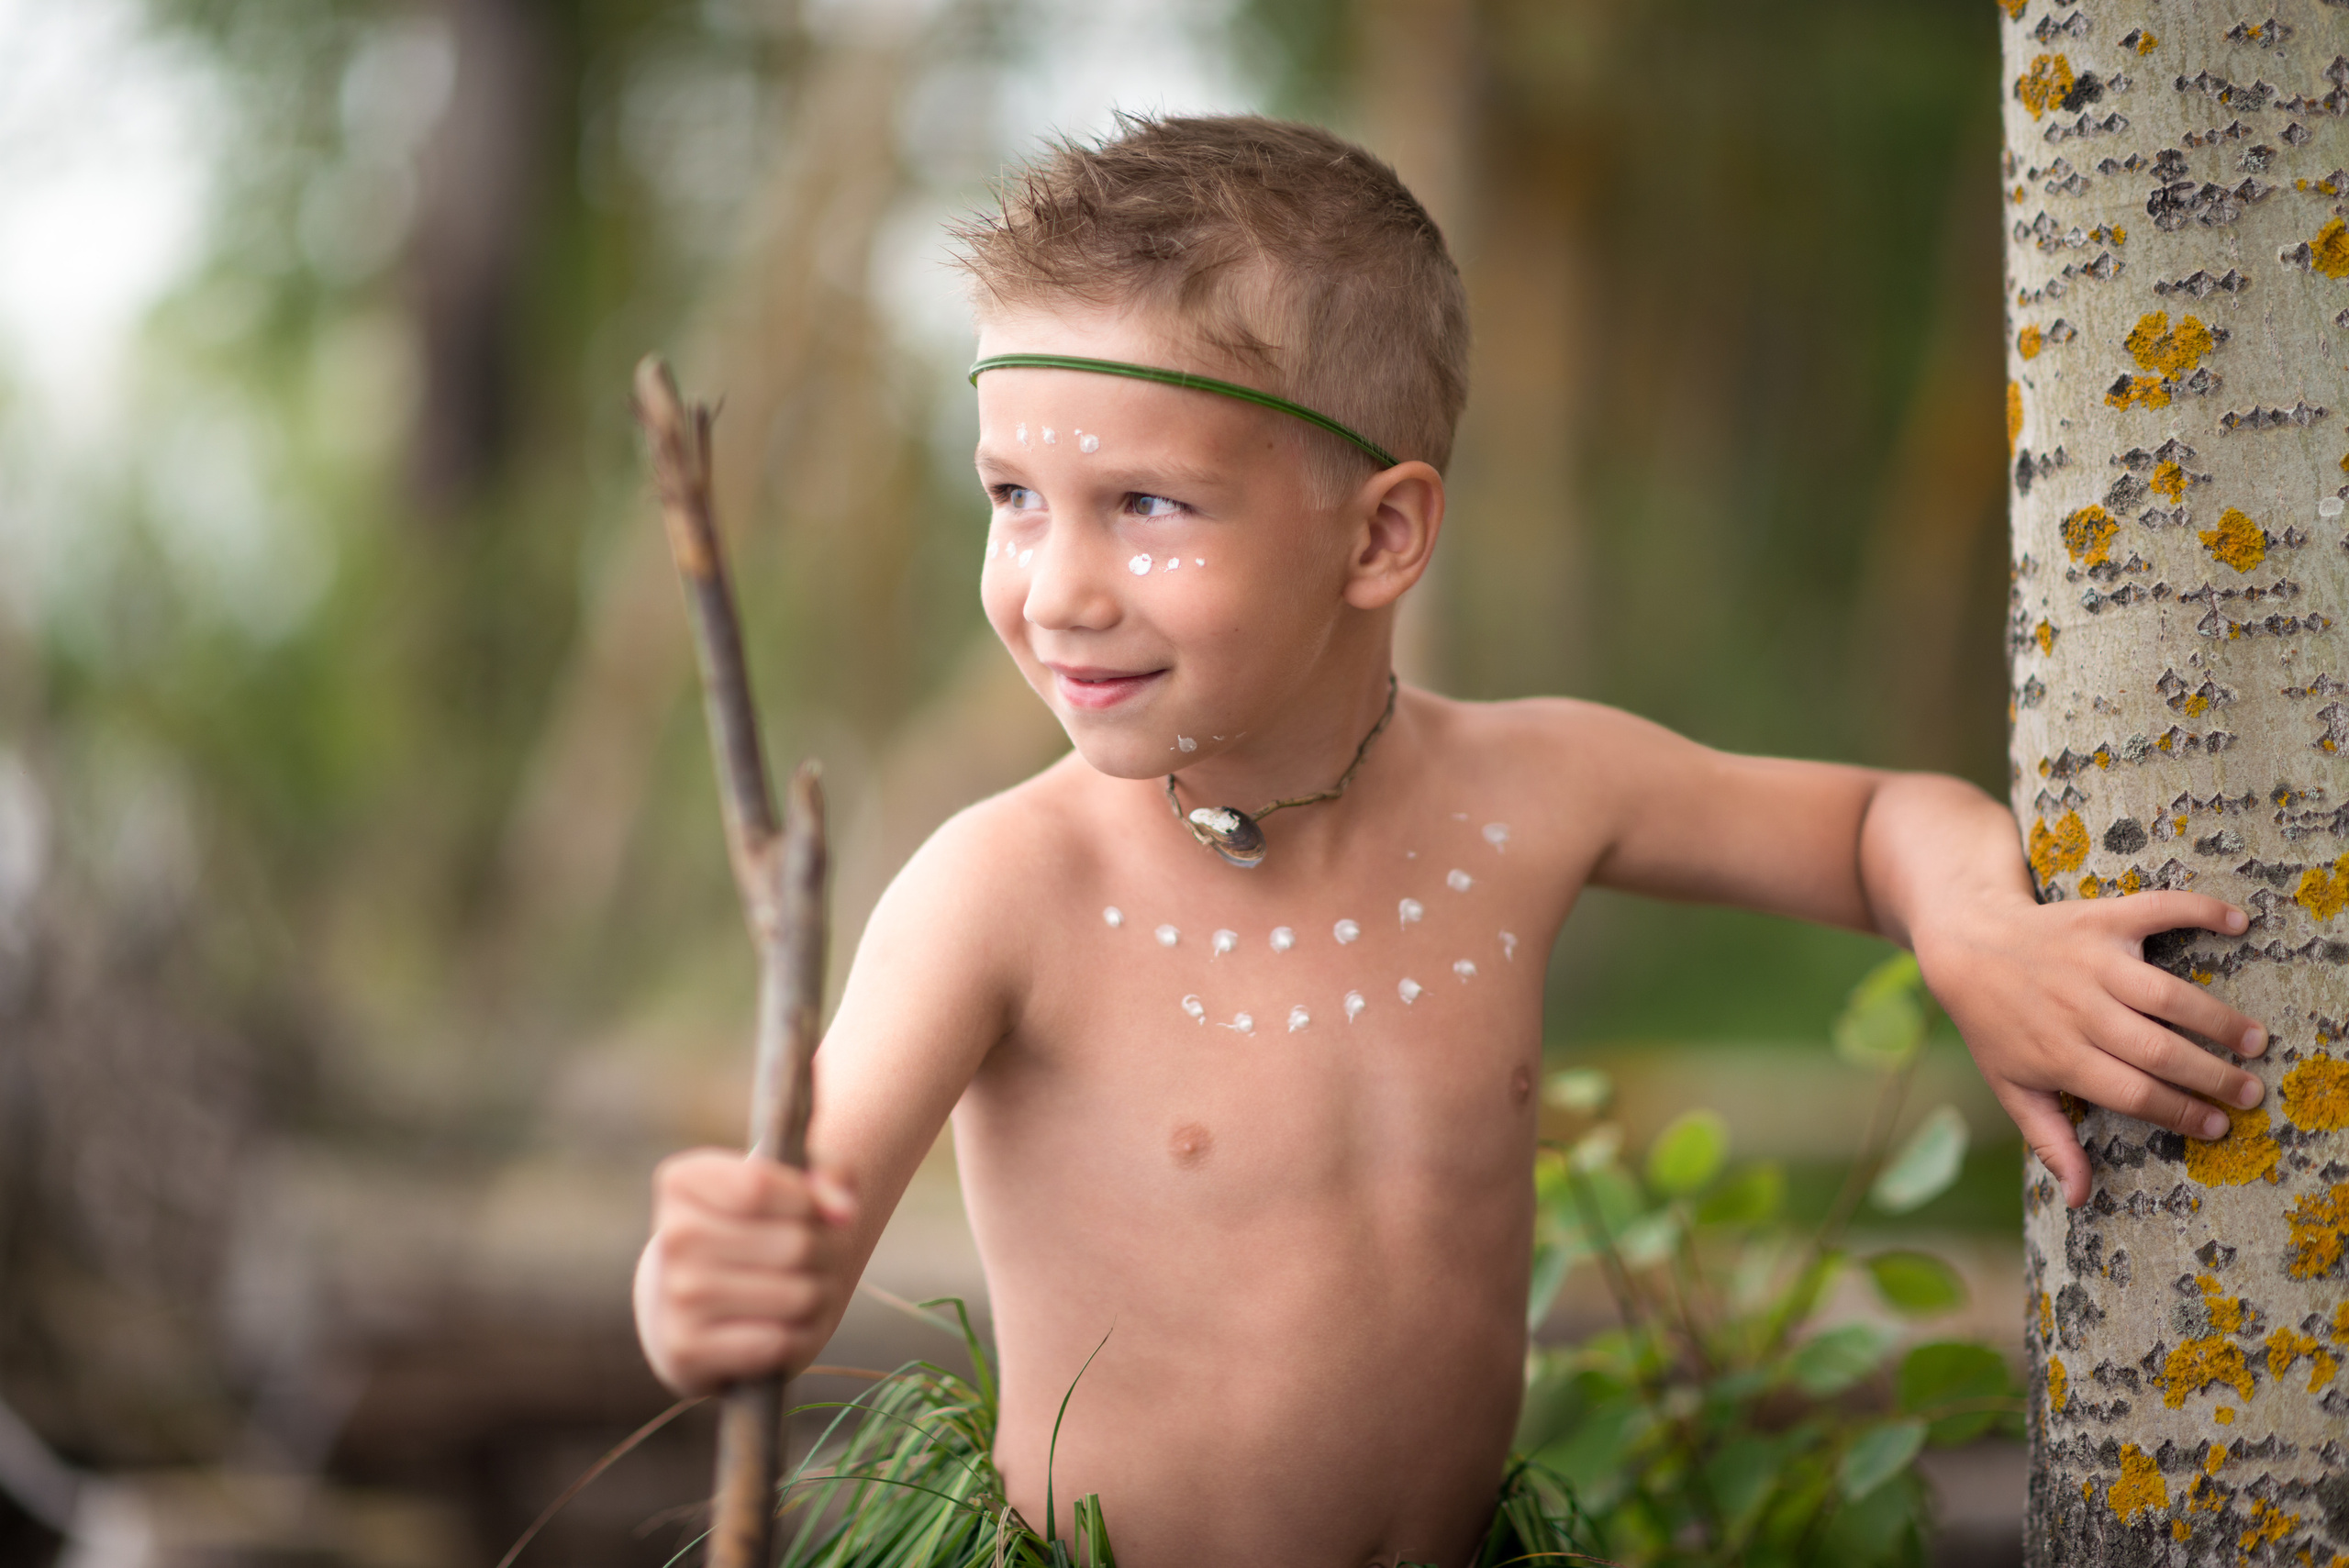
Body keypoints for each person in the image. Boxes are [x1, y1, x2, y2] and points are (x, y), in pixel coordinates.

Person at [631, 114, 2268, 1567]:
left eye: (1144, 504)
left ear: (1384, 532)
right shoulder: (1008, 889)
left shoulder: (1524, 794)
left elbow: (1871, 820)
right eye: (1011, 497)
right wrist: (703, 1290)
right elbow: (803, 1221)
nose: (1054, 586)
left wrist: (1972, 926)